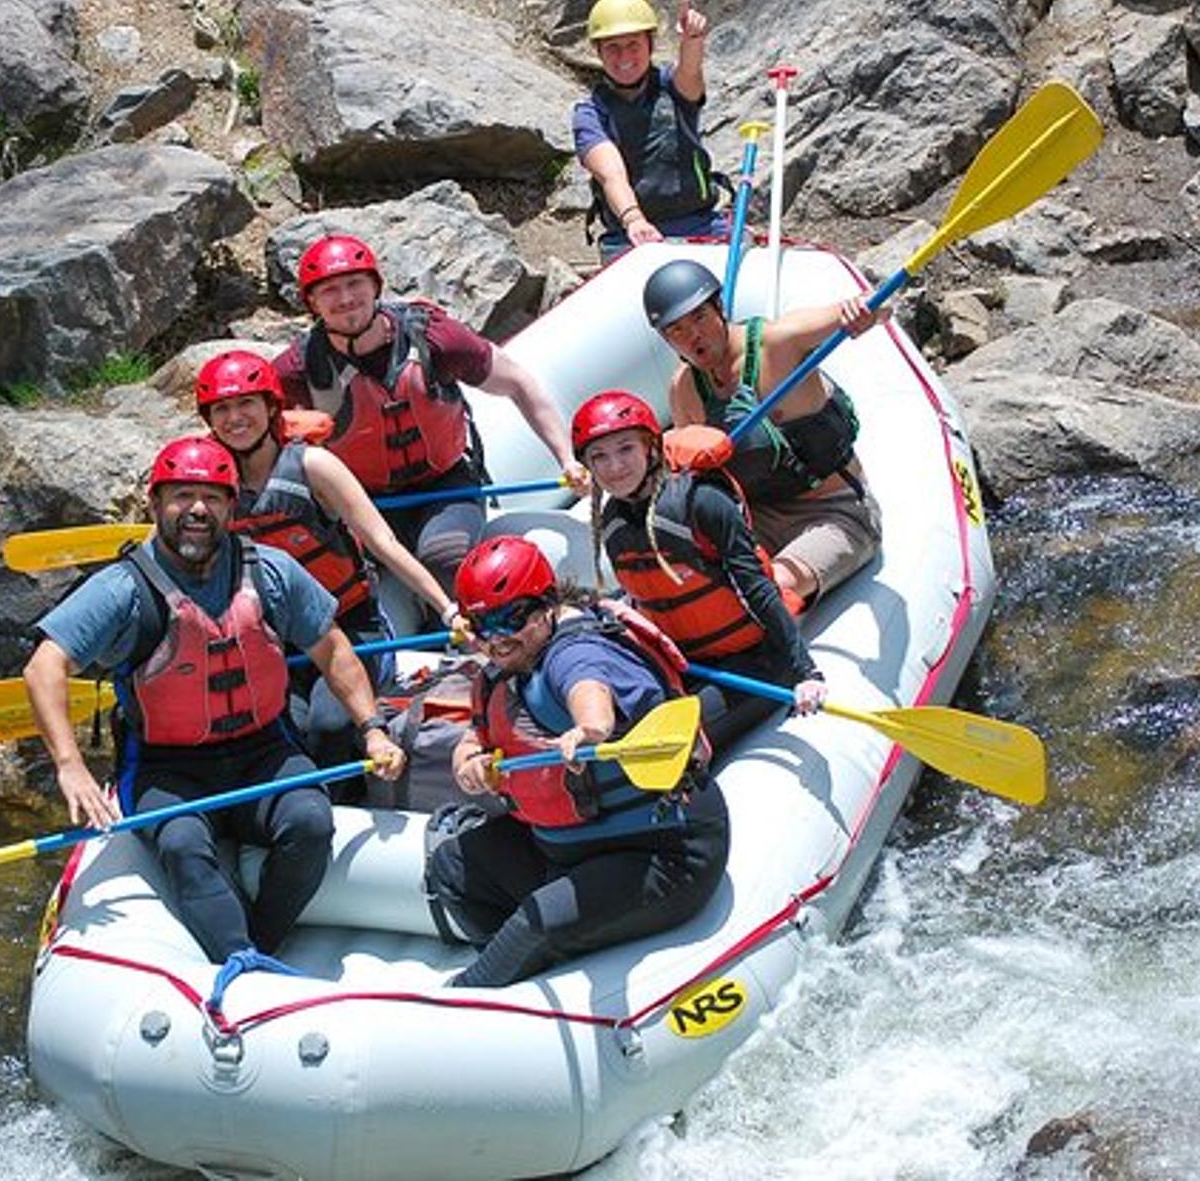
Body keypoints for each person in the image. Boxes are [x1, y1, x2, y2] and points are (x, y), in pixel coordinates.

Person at [21, 436, 405, 963]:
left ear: (232, 508)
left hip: (264, 751)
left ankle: (260, 947)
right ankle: (238, 959)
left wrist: (373, 727)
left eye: (213, 497)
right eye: (181, 496)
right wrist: (69, 765)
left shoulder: (270, 572)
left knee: (312, 822)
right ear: (155, 506)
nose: (197, 510)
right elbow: (44, 667)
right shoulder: (123, 589)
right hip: (166, 766)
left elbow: (334, 651)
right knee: (182, 846)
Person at [426, 535, 729, 988]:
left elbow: (591, 695)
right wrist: (469, 758)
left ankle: (471, 997)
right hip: (563, 849)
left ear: (547, 605)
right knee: (451, 869)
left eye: (511, 618)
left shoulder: (578, 652)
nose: (497, 638)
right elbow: (478, 732)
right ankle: (533, 988)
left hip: (661, 851)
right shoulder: (505, 665)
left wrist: (588, 730)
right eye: (481, 625)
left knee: (534, 922)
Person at [272, 233, 589, 608]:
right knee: (335, 581)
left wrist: (567, 458)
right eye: (330, 291)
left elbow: (519, 384)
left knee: (444, 556)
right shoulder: (297, 369)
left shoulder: (433, 338)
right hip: (361, 500)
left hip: (446, 484)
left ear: (376, 287)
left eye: (354, 284)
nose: (345, 299)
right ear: (311, 302)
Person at [196, 348, 455, 764]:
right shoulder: (210, 487)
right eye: (221, 409)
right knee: (283, 730)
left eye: (246, 403)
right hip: (275, 638)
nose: (235, 418)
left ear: (270, 407)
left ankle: (356, 782)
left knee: (328, 728)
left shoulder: (313, 465)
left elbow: (383, 542)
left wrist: (448, 610)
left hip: (351, 625)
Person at [572, 389, 826, 750]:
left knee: (670, 738)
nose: (614, 467)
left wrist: (805, 671)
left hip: (755, 664)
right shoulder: (613, 522)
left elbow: (756, 587)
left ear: (651, 448)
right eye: (599, 456)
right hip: (688, 666)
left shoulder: (702, 502)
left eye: (626, 449)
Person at [645, 258, 884, 615]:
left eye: (699, 318)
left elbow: (881, 305)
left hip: (836, 513)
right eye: (677, 330)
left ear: (719, 308)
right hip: (759, 521)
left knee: (770, 586)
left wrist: (862, 312)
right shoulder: (684, 390)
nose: (693, 335)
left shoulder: (780, 342)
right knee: (693, 593)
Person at [572, 0, 728, 264]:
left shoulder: (672, 87)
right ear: (598, 51)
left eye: (633, 44)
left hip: (700, 224)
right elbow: (612, 174)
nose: (624, 57)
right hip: (632, 234)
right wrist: (634, 219)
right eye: (612, 47)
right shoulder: (590, 113)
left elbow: (690, 73)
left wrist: (692, 41)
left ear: (649, 44)